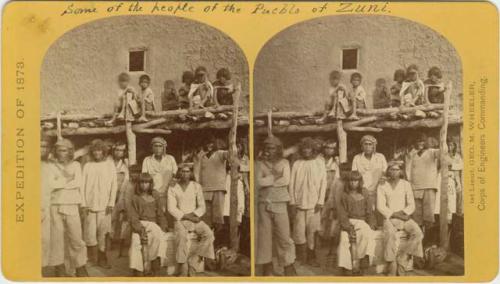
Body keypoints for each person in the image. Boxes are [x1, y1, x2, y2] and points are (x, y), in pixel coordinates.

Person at [255, 136, 296, 276]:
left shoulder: (284, 162)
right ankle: (267, 267)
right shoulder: (260, 164)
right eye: (267, 148)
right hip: (263, 204)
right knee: (265, 237)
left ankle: (288, 265)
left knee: (284, 237)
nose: (269, 151)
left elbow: (286, 180)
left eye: (272, 148)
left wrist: (269, 180)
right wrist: (275, 177)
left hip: (280, 203)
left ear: (278, 149)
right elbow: (258, 182)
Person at [48, 139, 88, 277]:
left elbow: (78, 183)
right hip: (54, 205)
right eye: (59, 150)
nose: (62, 153)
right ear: (55, 151)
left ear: (70, 151)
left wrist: (60, 182)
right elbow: (50, 185)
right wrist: (67, 180)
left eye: (65, 150)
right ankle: (59, 268)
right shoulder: (51, 166)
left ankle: (80, 266)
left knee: (76, 238)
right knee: (57, 239)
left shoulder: (76, 165)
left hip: (71, 205)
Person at [168, 165, 216, 276]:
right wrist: (186, 216)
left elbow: (202, 206)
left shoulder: (196, 186)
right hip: (179, 219)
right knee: (181, 237)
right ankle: (183, 265)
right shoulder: (173, 187)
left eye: (187, 171)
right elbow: (171, 208)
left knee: (209, 234)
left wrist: (193, 215)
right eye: (182, 171)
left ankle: (193, 263)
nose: (185, 174)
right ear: (179, 173)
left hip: (194, 218)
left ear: (191, 173)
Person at [377, 161, 423, 276]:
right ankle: (391, 262)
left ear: (401, 171)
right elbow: (380, 206)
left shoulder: (405, 184)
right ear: (388, 171)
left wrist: (403, 213)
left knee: (418, 233)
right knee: (390, 235)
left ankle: (403, 258)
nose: (394, 172)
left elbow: (411, 204)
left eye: (397, 170)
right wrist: (394, 214)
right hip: (389, 218)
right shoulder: (382, 185)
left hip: (404, 217)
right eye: (391, 169)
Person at [289, 137, 327, 267]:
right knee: (299, 232)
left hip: (314, 204)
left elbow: (323, 183)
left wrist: (320, 201)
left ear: (313, 150)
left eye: (309, 148)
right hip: (299, 204)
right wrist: (292, 202)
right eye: (304, 148)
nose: (306, 151)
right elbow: (291, 184)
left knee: (312, 231)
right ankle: (301, 257)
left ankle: (312, 257)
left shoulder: (319, 163)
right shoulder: (297, 164)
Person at [81, 139, 118, 268]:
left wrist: (111, 203)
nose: (97, 153)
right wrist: (84, 204)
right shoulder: (87, 166)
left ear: (104, 152)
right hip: (90, 206)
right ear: (92, 152)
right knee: (90, 234)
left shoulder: (110, 165)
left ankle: (103, 259)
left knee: (103, 233)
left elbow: (114, 185)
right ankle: (92, 259)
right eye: (95, 150)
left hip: (105, 206)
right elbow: (82, 186)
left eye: (99, 150)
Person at [128, 173, 168, 276]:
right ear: (138, 184)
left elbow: (160, 214)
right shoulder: (135, 197)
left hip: (154, 225)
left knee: (159, 237)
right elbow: (133, 217)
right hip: (140, 224)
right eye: (142, 182)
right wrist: (140, 229)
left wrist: (163, 226)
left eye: (147, 182)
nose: (144, 185)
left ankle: (153, 263)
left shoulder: (155, 195)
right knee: (136, 241)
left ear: (150, 184)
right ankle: (138, 269)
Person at [337, 171, 376, 275]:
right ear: (348, 182)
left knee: (368, 234)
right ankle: (346, 267)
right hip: (348, 221)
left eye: (356, 181)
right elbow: (342, 213)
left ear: (360, 181)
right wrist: (348, 227)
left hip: (362, 222)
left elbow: (369, 211)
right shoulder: (344, 194)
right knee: (344, 239)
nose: (353, 183)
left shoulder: (365, 192)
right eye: (351, 181)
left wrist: (371, 224)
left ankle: (362, 260)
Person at [405, 134, 440, 234]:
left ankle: (428, 241)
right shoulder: (412, 153)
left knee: (429, 215)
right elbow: (408, 168)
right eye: (418, 141)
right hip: (415, 187)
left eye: (423, 141)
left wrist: (441, 143)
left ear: (426, 143)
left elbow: (443, 153)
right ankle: (419, 240)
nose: (421, 143)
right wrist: (409, 183)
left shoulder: (432, 152)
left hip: (429, 186)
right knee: (416, 215)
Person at [193, 137, 228, 231]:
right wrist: (197, 185)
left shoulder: (220, 153)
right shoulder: (200, 155)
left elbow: (230, 154)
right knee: (205, 216)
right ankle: (207, 239)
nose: (210, 145)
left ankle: (218, 241)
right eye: (207, 143)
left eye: (212, 143)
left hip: (218, 188)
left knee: (218, 216)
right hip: (204, 189)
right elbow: (196, 170)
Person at [352, 135, 387, 223]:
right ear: (362, 146)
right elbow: (354, 175)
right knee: (366, 212)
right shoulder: (357, 158)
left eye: (370, 144)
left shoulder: (380, 157)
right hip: (363, 190)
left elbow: (385, 171)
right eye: (365, 144)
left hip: (378, 189)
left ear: (374, 146)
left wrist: (382, 180)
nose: (368, 147)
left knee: (379, 211)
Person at [142, 137, 178, 219]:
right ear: (152, 148)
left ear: (164, 148)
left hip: (168, 192)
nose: (158, 148)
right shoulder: (147, 160)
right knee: (155, 214)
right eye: (155, 146)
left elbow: (175, 174)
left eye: (160, 146)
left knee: (169, 214)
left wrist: (173, 181)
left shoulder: (170, 159)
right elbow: (145, 177)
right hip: (153, 192)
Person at [322, 163, 351, 254]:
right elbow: (331, 196)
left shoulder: (350, 182)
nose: (344, 173)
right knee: (333, 230)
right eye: (342, 170)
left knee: (345, 230)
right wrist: (332, 208)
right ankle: (332, 250)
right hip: (336, 209)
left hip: (347, 210)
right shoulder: (336, 182)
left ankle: (344, 251)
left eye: (347, 171)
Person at [113, 164, 142, 257]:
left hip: (137, 211)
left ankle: (137, 251)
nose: (135, 175)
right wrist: (122, 210)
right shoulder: (126, 183)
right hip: (126, 209)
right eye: (133, 173)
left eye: (137, 173)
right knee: (124, 231)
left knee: (137, 230)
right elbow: (121, 197)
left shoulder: (141, 184)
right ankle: (120, 252)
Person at [110, 141, 130, 245]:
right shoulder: (108, 162)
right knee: (110, 217)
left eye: (121, 151)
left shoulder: (125, 163)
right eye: (117, 150)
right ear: (113, 151)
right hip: (109, 192)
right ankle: (109, 238)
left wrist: (122, 192)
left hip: (121, 192)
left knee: (120, 216)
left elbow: (126, 179)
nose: (119, 153)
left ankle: (118, 239)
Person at [41, 136, 53, 276]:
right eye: (40, 146)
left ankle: (42, 268)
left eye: (45, 147)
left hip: (47, 206)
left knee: (45, 239)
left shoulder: (50, 165)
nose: (42, 149)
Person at [447, 141, 463, 215]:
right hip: (447, 176)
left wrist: (452, 165)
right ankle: (450, 213)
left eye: (452, 145)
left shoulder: (457, 155)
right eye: (449, 145)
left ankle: (458, 212)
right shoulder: (445, 155)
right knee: (449, 194)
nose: (450, 147)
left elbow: (461, 165)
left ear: (454, 146)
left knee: (458, 192)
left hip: (455, 176)